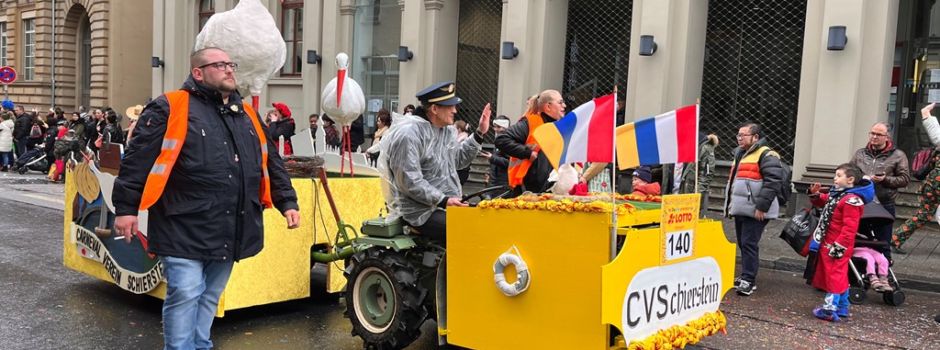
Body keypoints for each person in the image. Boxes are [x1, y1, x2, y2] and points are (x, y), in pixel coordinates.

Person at [112, 47, 300, 350]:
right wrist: (126, 209)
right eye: (220, 65)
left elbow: (270, 161)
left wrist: (287, 202)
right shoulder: (170, 106)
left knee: (210, 294)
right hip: (182, 221)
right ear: (198, 72)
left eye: (231, 64)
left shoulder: (247, 113)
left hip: (231, 222)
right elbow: (137, 161)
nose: (229, 70)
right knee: (186, 291)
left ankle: (200, 344)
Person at [381, 81, 490, 246]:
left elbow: (457, 160)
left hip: (443, 204)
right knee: (469, 229)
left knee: (486, 222)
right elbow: (409, 181)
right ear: (434, 109)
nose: (455, 110)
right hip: (420, 211)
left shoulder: (446, 130)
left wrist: (480, 133)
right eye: (450, 106)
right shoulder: (409, 134)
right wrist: (444, 200)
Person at [724, 122, 785, 296]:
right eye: (738, 135)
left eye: (743, 135)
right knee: (744, 243)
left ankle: (748, 280)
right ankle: (746, 275)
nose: (739, 138)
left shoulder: (767, 154)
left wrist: (762, 207)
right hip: (742, 208)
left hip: (756, 209)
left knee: (749, 243)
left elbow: (773, 181)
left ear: (756, 137)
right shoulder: (740, 153)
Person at [807, 163, 873, 321]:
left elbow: (849, 229)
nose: (834, 179)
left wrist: (839, 247)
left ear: (850, 179)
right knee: (840, 274)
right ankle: (842, 307)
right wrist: (815, 195)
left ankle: (829, 309)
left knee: (834, 276)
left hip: (837, 244)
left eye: (838, 176)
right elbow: (828, 202)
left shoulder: (851, 200)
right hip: (831, 242)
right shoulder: (840, 194)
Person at [849, 122, 908, 258]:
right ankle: (863, 272)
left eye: (878, 134)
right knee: (860, 240)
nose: (874, 137)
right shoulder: (860, 154)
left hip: (884, 204)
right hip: (862, 203)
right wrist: (861, 178)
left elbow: (904, 179)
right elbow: (849, 173)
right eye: (872, 133)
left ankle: (884, 273)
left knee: (883, 243)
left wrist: (885, 179)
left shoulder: (898, 155)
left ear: (887, 137)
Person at [495, 90, 567, 195]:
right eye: (560, 102)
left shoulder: (556, 126)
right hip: (526, 190)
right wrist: (527, 153)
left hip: (548, 190)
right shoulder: (530, 123)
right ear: (548, 107)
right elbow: (502, 140)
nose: (564, 105)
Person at [893, 103, 940, 251]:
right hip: (935, 185)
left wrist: (926, 111)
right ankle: (895, 240)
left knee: (923, 214)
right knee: (924, 214)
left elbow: (934, 129)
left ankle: (896, 240)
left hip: (932, 185)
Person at [679, 133, 719, 215]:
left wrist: (695, 198)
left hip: (689, 196)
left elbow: (706, 175)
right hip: (672, 195)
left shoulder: (704, 147)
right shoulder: (674, 142)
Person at [485, 115, 511, 189]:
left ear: (505, 127)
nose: (495, 129)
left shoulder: (509, 142)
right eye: (494, 126)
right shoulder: (499, 140)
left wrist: (492, 158)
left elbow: (510, 162)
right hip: (495, 181)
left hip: (503, 182)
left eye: (498, 127)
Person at [454, 120, 472, 185]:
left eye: (454, 128)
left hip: (461, 169)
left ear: (459, 129)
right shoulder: (460, 138)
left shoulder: (463, 139)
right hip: (460, 168)